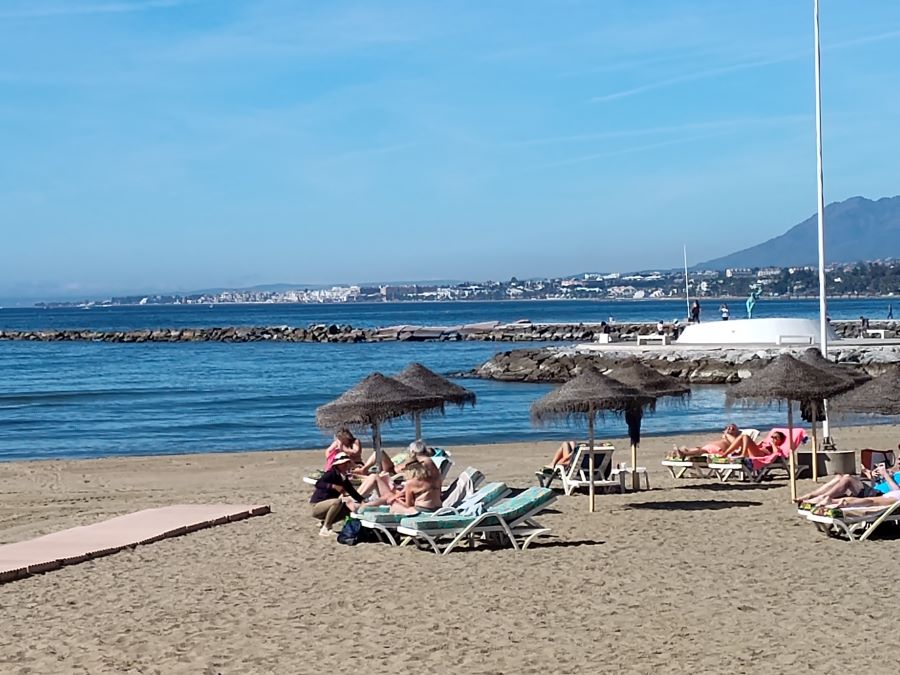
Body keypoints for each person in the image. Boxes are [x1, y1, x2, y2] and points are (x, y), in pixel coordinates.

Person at [797, 458, 900, 507]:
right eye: (898, 458)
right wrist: (871, 475)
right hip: (874, 490)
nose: (898, 461)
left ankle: (822, 497)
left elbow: (897, 493)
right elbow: (877, 485)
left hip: (881, 496)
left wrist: (885, 475)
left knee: (847, 478)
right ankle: (811, 495)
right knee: (839, 477)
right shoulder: (894, 472)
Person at [310, 452, 364, 536]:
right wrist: (333, 486)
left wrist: (362, 501)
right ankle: (326, 528)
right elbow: (318, 483)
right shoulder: (331, 474)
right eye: (344, 463)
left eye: (347, 463)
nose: (346, 465)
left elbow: (352, 492)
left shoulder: (343, 477)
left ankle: (324, 523)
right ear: (338, 465)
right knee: (337, 502)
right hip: (317, 505)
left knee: (347, 509)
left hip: (329, 505)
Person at [670, 424, 743, 458]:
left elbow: (736, 444)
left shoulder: (735, 438)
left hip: (717, 450)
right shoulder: (726, 437)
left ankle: (684, 454)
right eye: (728, 428)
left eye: (732, 428)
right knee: (699, 449)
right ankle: (679, 452)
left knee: (701, 451)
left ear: (737, 431)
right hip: (710, 447)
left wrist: (727, 434)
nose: (730, 429)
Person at [718, 430, 786, 459]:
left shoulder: (778, 447)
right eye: (772, 437)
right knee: (742, 436)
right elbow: (756, 446)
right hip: (755, 451)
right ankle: (726, 454)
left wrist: (773, 444)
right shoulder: (767, 443)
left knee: (745, 436)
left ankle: (742, 454)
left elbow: (776, 453)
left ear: (780, 440)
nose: (773, 438)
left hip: (761, 454)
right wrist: (760, 444)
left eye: (775, 437)